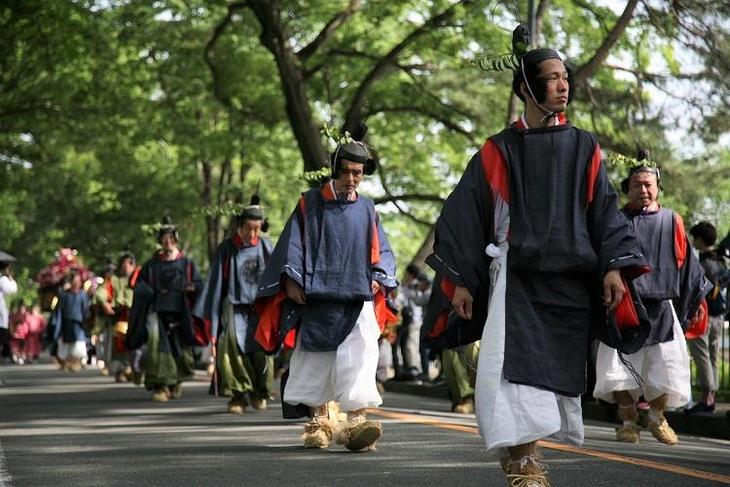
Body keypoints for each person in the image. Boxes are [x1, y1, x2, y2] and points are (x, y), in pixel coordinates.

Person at [426, 44, 647, 486]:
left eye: (566, 77)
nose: (563, 85)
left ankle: (521, 455)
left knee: (550, 372)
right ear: (526, 87)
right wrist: (463, 280)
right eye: (552, 78)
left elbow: (605, 212)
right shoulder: (497, 149)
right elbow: (464, 215)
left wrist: (613, 267)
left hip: (570, 280)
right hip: (516, 276)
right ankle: (526, 461)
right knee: (515, 371)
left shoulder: (585, 146)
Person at [253, 123, 397, 451]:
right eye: (346, 171)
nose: (352, 179)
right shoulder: (310, 203)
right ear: (335, 169)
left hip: (357, 295)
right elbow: (292, 245)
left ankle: (356, 424)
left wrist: (378, 276)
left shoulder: (368, 209)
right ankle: (319, 423)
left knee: (362, 354)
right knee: (315, 360)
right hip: (316, 296)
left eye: (358, 173)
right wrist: (292, 281)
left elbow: (382, 251)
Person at [594, 156, 710, 445]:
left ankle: (657, 416)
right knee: (617, 367)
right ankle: (628, 419)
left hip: (661, 306)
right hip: (623, 303)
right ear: (627, 188)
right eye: (637, 185)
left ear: (658, 187)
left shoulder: (672, 220)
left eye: (648, 184)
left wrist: (696, 301)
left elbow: (687, 265)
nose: (643, 190)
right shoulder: (616, 220)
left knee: (668, 366)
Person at [194, 196, 275, 414]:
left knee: (262, 350)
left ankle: (259, 392)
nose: (253, 234)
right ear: (240, 225)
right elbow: (215, 285)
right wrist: (212, 322)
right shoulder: (227, 249)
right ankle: (238, 395)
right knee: (232, 349)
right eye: (249, 228)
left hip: (260, 308)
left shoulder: (267, 247)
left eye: (257, 229)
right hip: (234, 308)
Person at [126, 217, 203, 402]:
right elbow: (139, 286)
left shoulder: (187, 264)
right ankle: (160, 385)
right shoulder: (151, 265)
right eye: (164, 238)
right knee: (156, 348)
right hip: (157, 311)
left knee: (180, 349)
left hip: (181, 313)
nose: (167, 241)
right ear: (160, 241)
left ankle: (175, 381)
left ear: (176, 240)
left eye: (171, 238)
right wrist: (151, 292)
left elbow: (200, 284)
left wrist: (192, 288)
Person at [685, 222, 726, 414]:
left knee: (701, 355)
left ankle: (706, 398)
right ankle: (711, 398)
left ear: (700, 240)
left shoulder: (703, 263)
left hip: (704, 316)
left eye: (694, 238)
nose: (693, 241)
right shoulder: (720, 261)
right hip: (719, 315)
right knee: (713, 355)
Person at [48, 270, 90, 371]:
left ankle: (77, 363)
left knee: (79, 346)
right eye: (75, 281)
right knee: (65, 347)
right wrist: (57, 326)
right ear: (71, 282)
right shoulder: (64, 295)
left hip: (79, 326)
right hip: (66, 325)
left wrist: (87, 324)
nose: (77, 283)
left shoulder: (82, 295)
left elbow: (85, 311)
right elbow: (59, 312)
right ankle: (67, 363)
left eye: (79, 281)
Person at [92, 263, 117, 375]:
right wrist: (104, 304)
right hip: (103, 320)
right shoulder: (101, 287)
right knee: (103, 342)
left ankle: (114, 365)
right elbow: (98, 297)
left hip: (116, 318)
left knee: (113, 343)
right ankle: (106, 365)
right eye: (108, 272)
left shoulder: (117, 285)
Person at [0, 262, 18, 363]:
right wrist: (10, 278)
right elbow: (12, 290)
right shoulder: (3, 279)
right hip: (1, 309)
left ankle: (6, 353)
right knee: (3, 332)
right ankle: (6, 353)